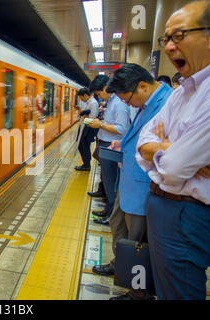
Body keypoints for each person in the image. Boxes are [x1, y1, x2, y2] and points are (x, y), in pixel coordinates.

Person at [136, 0, 210, 300]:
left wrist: (168, 153)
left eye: (178, 36)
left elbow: (173, 168)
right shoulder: (182, 91)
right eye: (165, 38)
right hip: (170, 211)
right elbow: (142, 142)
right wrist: (166, 148)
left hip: (186, 214)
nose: (169, 46)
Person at [90, 63, 173, 300]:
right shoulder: (148, 103)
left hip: (143, 187)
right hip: (129, 184)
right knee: (120, 228)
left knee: (137, 242)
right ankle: (120, 265)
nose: (127, 104)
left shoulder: (168, 103)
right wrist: (123, 143)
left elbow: (165, 148)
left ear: (142, 87)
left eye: (127, 99)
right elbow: (137, 134)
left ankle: (137, 292)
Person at [87, 75, 130, 224]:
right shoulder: (111, 102)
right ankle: (107, 210)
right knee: (108, 180)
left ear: (106, 88)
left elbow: (121, 128)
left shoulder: (119, 104)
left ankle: (111, 217)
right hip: (106, 144)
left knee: (112, 182)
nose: (99, 97)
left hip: (112, 146)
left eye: (99, 93)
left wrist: (100, 125)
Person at [74, 88, 99, 171]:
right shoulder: (89, 102)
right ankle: (85, 164)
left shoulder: (93, 103)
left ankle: (87, 165)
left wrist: (84, 117)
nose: (81, 99)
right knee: (82, 146)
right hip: (85, 126)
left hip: (88, 128)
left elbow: (93, 118)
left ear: (85, 95)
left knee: (84, 146)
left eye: (81, 97)